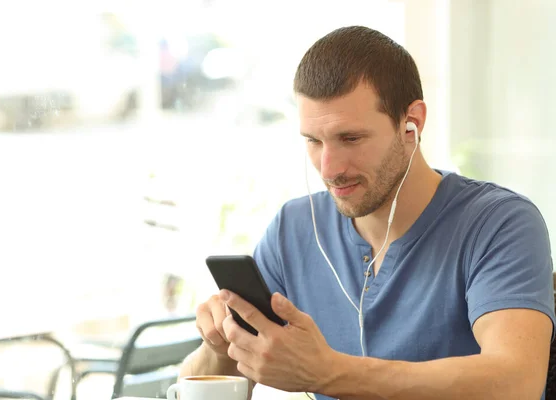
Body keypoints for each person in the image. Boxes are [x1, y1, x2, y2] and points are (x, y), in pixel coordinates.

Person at [178, 26, 555, 400]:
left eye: (351, 139)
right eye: (313, 141)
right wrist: (218, 344)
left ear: (412, 124)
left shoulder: (499, 224)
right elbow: (192, 387)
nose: (328, 168)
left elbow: (516, 381)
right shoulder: (292, 230)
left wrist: (328, 372)